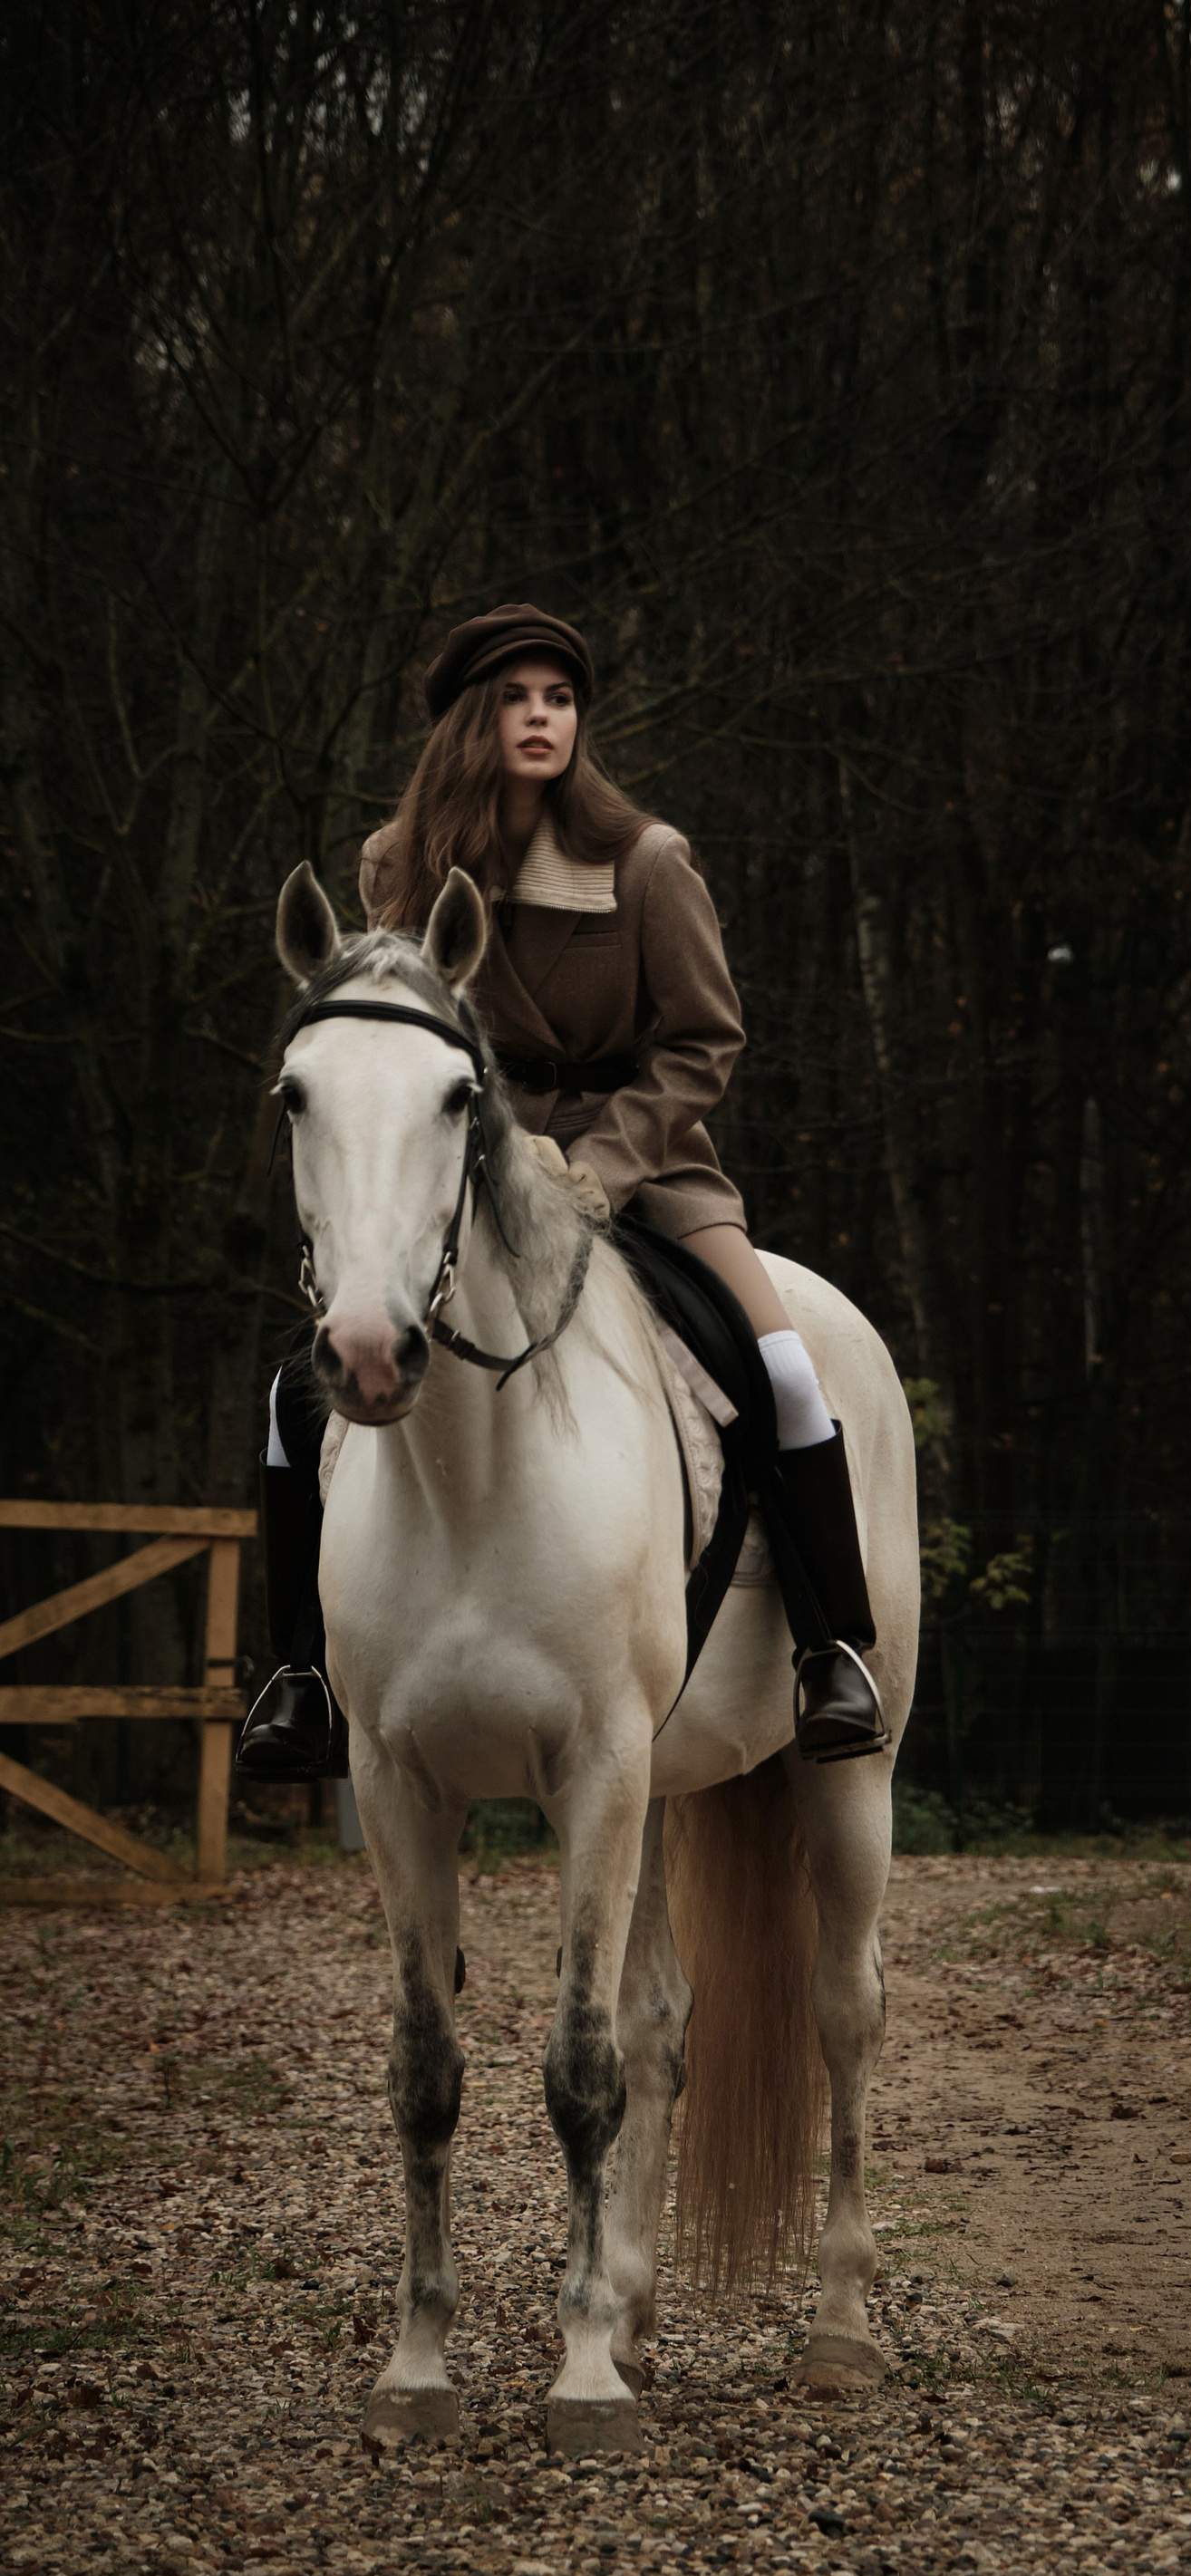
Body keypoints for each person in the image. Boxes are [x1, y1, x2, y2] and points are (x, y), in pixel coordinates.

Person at [237, 603, 885, 1780]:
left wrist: (600, 1165)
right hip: (464, 1175)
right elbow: (388, 1051)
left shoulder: (647, 861)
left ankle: (832, 1649)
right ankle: (301, 1675)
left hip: (644, 1169)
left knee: (787, 1371)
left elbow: (705, 1039)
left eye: (561, 698)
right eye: (515, 699)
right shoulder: (393, 868)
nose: (542, 718)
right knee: (296, 1396)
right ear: (467, 722)